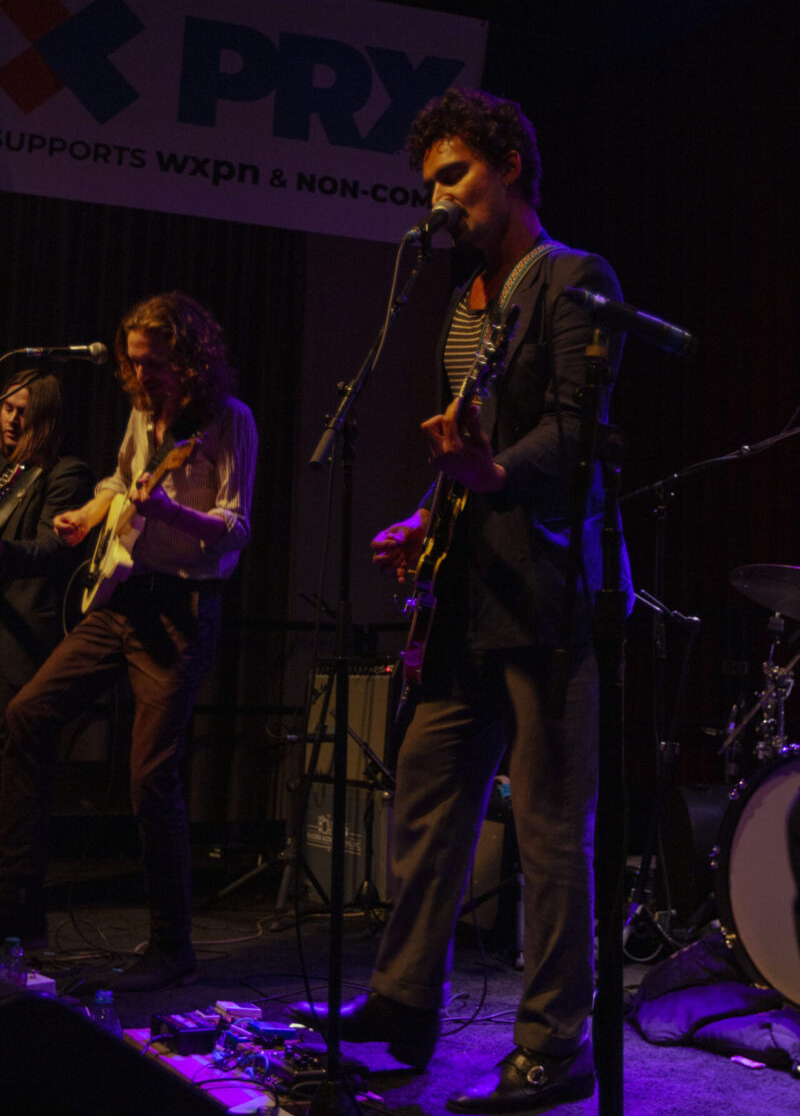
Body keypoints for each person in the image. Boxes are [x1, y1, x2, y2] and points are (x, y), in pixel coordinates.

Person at [291, 88, 632, 1113]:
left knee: (547, 829)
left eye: (454, 176)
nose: (438, 199)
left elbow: (574, 432)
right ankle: (403, 1002)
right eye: (429, 184)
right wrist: (425, 514)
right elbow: (466, 445)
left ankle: (555, 1046)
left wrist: (491, 478)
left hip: (550, 595)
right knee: (427, 789)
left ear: (509, 165)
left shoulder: (573, 279)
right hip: (466, 595)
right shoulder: (466, 301)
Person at [0, 293, 258, 989]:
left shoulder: (230, 421)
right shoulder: (145, 414)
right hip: (123, 599)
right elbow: (120, 478)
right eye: (134, 363)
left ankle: (172, 945)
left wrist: (171, 511)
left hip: (183, 610)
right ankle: (19, 910)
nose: (141, 376)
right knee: (28, 714)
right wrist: (88, 514)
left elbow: (235, 526)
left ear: (191, 358)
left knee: (151, 777)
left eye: (155, 364)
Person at [0, 370, 94, 735]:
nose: (12, 419)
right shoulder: (5, 467)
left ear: (45, 419)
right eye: (7, 408)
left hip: (21, 640)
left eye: (23, 412)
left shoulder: (66, 473)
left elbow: (53, 548)